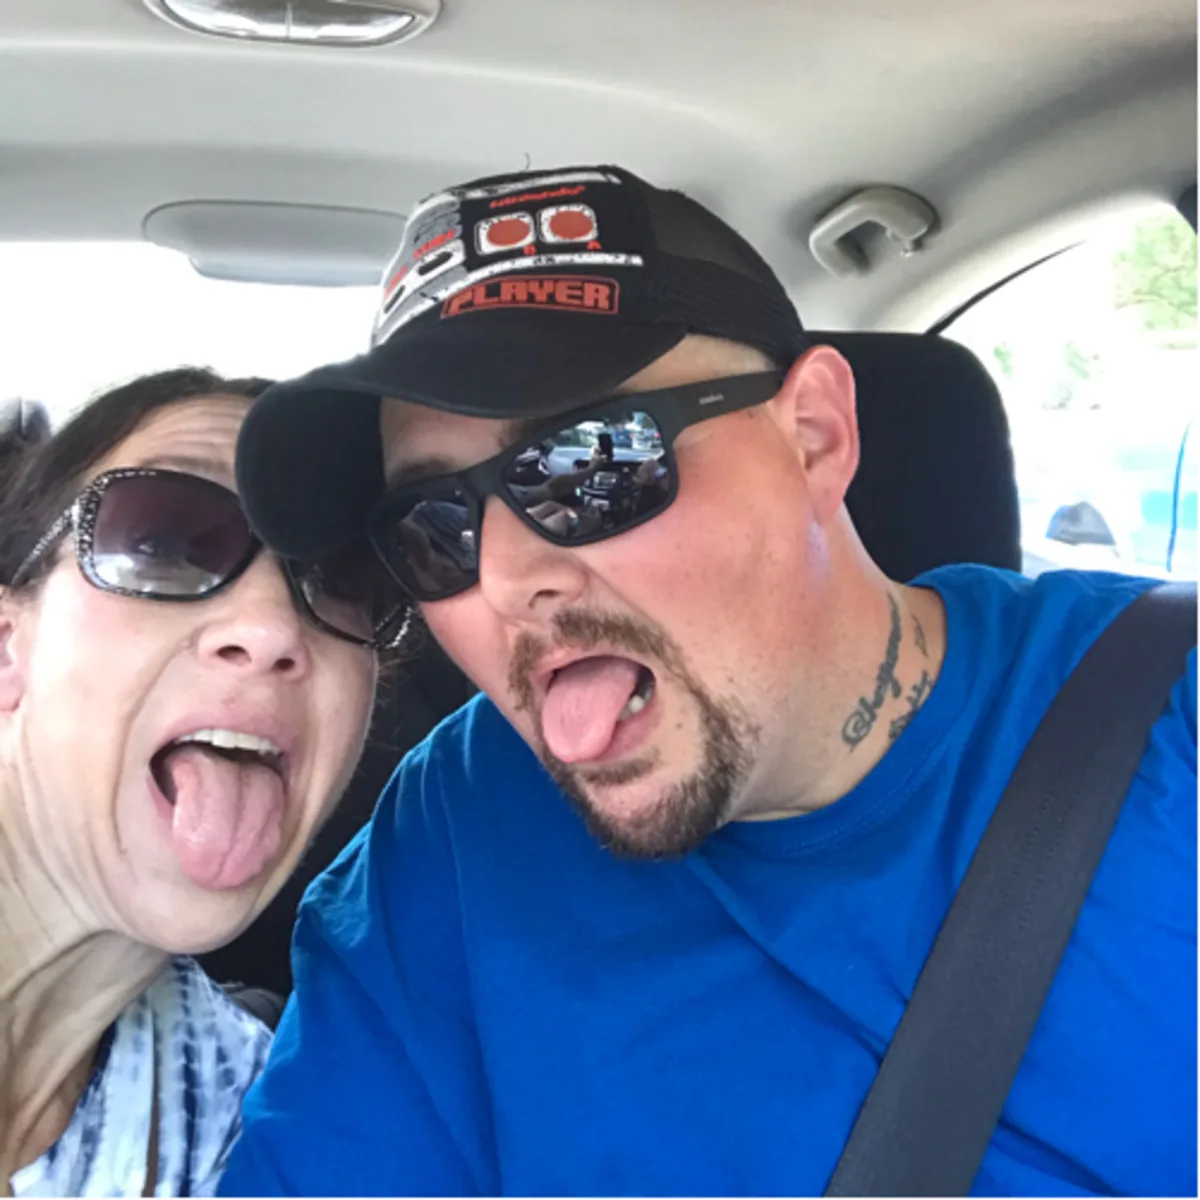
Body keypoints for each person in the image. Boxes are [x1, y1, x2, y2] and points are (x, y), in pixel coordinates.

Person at [223, 166, 1196, 1196]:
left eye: (589, 465)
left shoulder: (1167, 719)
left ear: (814, 436)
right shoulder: (454, 832)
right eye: (434, 525)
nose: (502, 581)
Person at [0, 369, 408, 1196]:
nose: (272, 628)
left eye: (344, 573)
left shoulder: (265, 1130)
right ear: (9, 648)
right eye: (160, 542)